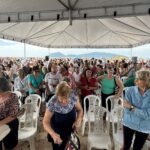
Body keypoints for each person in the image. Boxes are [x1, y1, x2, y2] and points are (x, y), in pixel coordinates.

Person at [43, 81, 83, 150]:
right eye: (61, 99)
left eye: (66, 99)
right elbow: (45, 122)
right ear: (57, 95)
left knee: (71, 146)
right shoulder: (52, 102)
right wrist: (53, 134)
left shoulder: (73, 96)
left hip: (70, 128)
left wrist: (78, 119)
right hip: (57, 131)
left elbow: (80, 110)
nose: (64, 101)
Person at [123, 69, 150, 150]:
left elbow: (147, 115)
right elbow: (126, 110)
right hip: (129, 123)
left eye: (139, 78)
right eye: (136, 78)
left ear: (146, 81)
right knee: (126, 146)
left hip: (144, 127)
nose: (136, 80)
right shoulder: (129, 90)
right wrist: (140, 112)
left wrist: (131, 107)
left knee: (137, 147)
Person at [0, 78, 20, 150]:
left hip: (11, 123)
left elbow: (13, 115)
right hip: (1, 125)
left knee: (11, 146)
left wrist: (0, 123)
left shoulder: (12, 96)